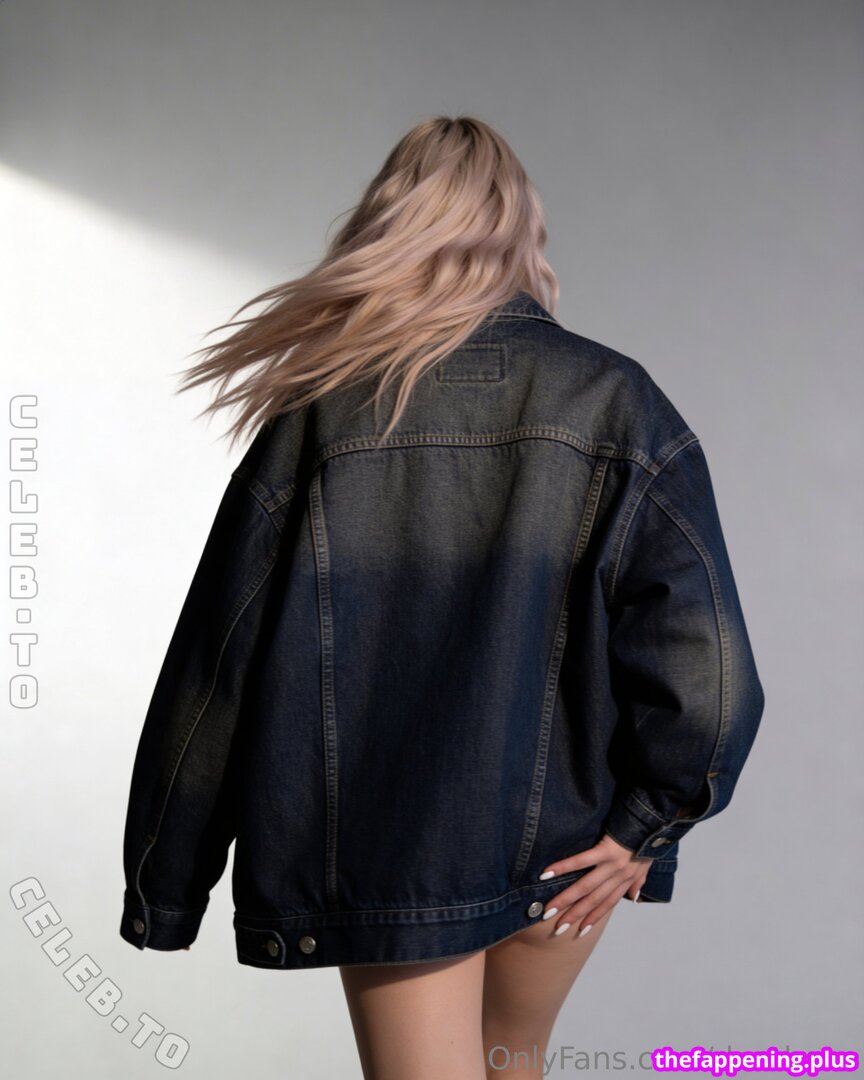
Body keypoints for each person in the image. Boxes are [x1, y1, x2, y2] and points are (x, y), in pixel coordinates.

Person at [119, 115, 765, 1079]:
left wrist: (166, 883)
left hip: (392, 853)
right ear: (524, 234)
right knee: (513, 1064)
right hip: (567, 851)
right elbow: (707, 669)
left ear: (387, 226)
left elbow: (218, 664)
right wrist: (645, 827)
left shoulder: (325, 411)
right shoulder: (616, 401)